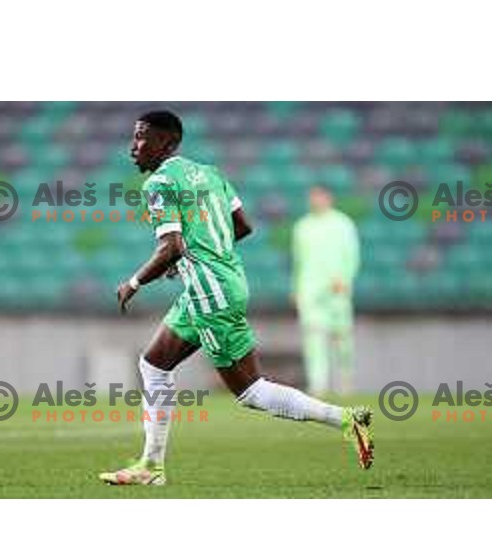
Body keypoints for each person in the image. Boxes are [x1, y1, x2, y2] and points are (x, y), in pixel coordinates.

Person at [99, 111, 373, 486]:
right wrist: (201, 253)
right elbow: (243, 225)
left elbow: (171, 246)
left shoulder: (159, 184)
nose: (133, 148)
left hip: (211, 293)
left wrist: (133, 282)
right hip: (215, 285)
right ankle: (151, 466)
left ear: (167, 143)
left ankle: (346, 419)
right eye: (133, 138)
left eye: (141, 138)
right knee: (154, 365)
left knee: (250, 391)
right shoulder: (211, 174)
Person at [291, 186, 360, 397]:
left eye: (320, 197)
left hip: (337, 288)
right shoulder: (302, 226)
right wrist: (296, 288)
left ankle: (345, 381)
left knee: (342, 339)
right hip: (310, 290)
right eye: (313, 197)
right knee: (313, 339)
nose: (316, 201)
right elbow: (298, 261)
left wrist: (346, 278)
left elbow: (353, 254)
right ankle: (318, 384)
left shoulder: (343, 223)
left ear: (329, 198)